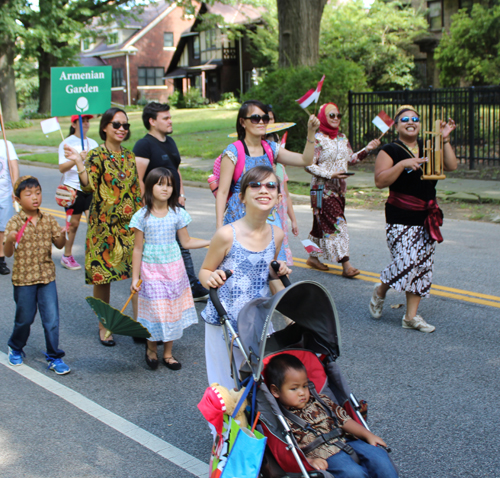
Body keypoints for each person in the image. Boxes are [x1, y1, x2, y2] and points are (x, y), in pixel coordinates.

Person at [199, 166, 291, 390]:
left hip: (258, 319)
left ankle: (252, 424)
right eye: (255, 185)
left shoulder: (276, 235)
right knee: (226, 383)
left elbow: (267, 276)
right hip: (224, 321)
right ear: (241, 197)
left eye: (271, 186)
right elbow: (204, 271)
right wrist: (211, 278)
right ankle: (222, 426)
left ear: (278, 197)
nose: (264, 190)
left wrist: (278, 271)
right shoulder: (226, 235)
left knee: (258, 380)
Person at [369, 105, 457, 333]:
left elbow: (452, 165)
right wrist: (401, 165)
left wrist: (445, 139)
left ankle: (410, 317)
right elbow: (380, 181)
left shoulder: (429, 146)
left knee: (423, 266)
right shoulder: (390, 150)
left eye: (415, 119)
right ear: (396, 125)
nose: (411, 122)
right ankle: (380, 290)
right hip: (400, 216)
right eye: (405, 119)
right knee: (406, 262)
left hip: (427, 216)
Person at [64, 107, 142, 346]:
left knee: (139, 275)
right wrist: (79, 162)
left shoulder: (129, 156)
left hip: (129, 227)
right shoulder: (96, 155)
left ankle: (139, 323)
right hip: (103, 227)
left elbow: (136, 191)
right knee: (103, 278)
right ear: (105, 127)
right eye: (117, 124)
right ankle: (104, 325)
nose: (122, 129)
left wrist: (144, 220)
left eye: (125, 125)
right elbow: (87, 187)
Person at [215, 100, 320, 262]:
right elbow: (222, 192)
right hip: (240, 218)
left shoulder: (271, 148)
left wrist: (311, 133)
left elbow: (305, 160)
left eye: (264, 118)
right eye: (255, 118)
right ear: (243, 122)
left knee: (275, 267)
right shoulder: (233, 151)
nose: (262, 122)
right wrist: (219, 228)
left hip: (268, 217)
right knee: (243, 268)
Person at [266, 353, 398, 478]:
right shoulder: (281, 419)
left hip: (346, 440)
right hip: (322, 454)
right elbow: (287, 451)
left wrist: (368, 434)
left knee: (380, 457)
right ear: (275, 391)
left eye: (305, 386)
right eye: (294, 388)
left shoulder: (321, 400)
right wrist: (310, 461)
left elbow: (345, 420)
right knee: (353, 473)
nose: (302, 393)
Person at [130, 168, 210, 370]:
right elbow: (138, 249)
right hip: (151, 270)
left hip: (174, 271)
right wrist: (134, 277)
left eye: (169, 184)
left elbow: (187, 241)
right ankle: (151, 349)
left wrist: (211, 242)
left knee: (171, 311)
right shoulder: (142, 216)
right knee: (154, 310)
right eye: (160, 184)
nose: (165, 188)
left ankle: (168, 353)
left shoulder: (178, 213)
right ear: (150, 186)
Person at [133, 102, 209, 301]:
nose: (170, 121)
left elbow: (176, 170)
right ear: (152, 121)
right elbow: (139, 178)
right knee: (158, 248)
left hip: (174, 203)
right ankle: (156, 285)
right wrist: (147, 207)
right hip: (156, 207)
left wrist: (181, 194)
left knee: (181, 245)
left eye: (170, 117)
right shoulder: (144, 145)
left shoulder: (170, 142)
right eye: (165, 118)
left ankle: (190, 285)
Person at [4, 176, 71, 375]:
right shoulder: (15, 222)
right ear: (17, 199)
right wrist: (9, 239)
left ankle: (54, 356)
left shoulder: (48, 219)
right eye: (29, 194)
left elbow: (59, 245)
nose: (35, 197)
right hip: (24, 279)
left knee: (51, 319)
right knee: (24, 318)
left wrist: (63, 233)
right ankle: (15, 346)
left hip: (47, 277)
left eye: (38, 192)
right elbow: (8, 252)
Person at [305, 103, 380, 277]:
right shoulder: (317, 139)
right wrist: (331, 174)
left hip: (339, 189)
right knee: (339, 223)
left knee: (319, 225)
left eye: (338, 115)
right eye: (332, 115)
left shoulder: (342, 138)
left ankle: (312, 257)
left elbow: (351, 159)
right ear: (323, 117)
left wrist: (367, 149)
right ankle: (346, 264)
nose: (336, 118)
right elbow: (308, 164)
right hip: (321, 190)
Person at [58, 114, 98, 270]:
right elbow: (62, 168)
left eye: (88, 121)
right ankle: (67, 256)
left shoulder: (93, 143)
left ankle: (95, 254)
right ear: (73, 124)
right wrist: (76, 160)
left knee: (93, 223)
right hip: (72, 189)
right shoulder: (66, 143)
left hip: (89, 187)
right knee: (73, 224)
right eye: (82, 121)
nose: (86, 124)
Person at [266, 106, 299, 266]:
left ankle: (278, 277)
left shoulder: (281, 167)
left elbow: (286, 194)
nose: (268, 122)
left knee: (279, 249)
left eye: (271, 118)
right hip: (266, 213)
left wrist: (293, 219)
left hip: (280, 214)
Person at [0, 139, 20, 275]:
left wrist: (15, 188)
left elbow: (13, 167)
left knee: (3, 228)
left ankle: (1, 260)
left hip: (4, 194)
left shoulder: (6, 144)